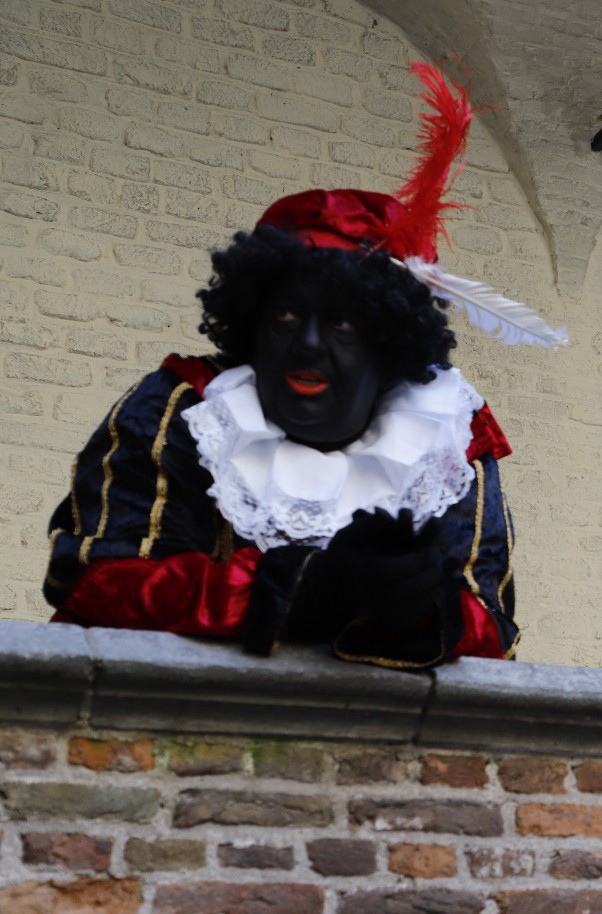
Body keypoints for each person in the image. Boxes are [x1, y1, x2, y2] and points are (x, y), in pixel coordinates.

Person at [44, 64, 565, 668]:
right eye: (287, 316)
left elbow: (490, 627)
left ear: (389, 344)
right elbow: (97, 583)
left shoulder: (446, 440)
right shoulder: (185, 411)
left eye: (343, 324)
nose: (309, 344)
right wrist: (307, 588)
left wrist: (414, 608)